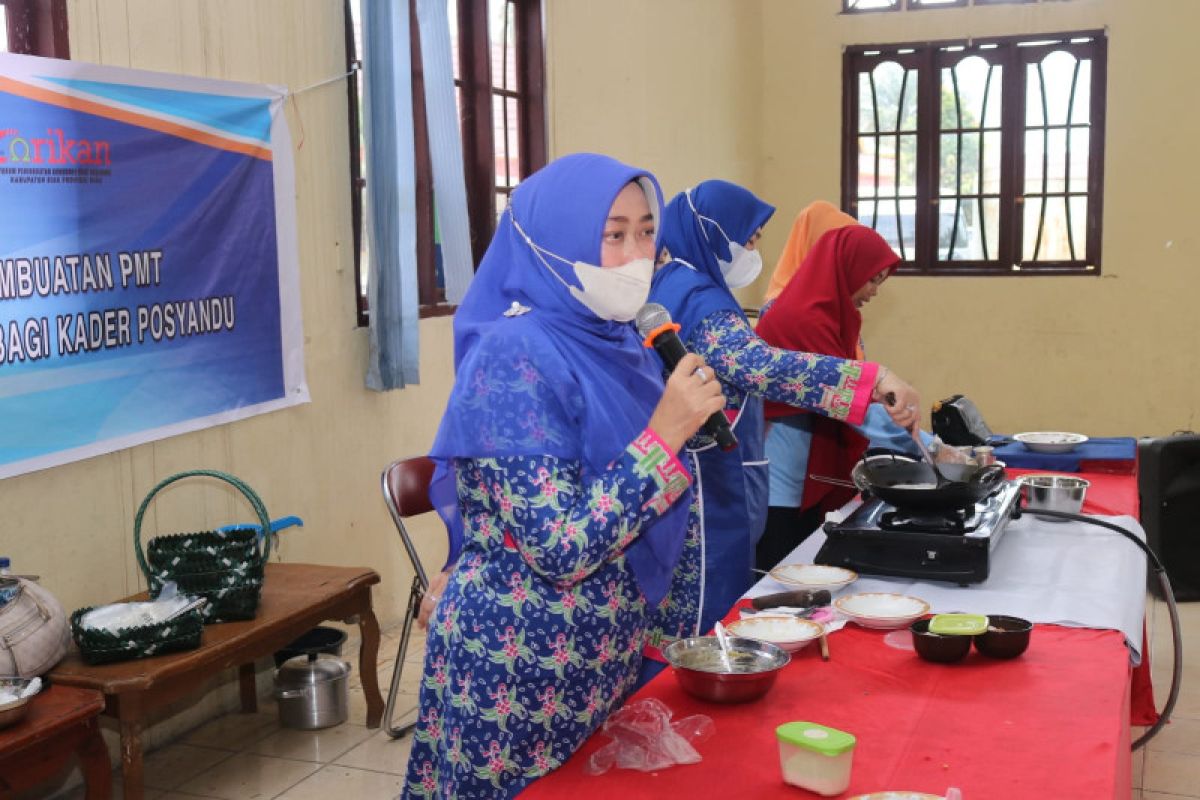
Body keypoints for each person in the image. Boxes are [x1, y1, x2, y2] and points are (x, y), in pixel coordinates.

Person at [402, 153, 724, 799]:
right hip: (517, 663)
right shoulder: (514, 355)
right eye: (612, 234)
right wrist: (665, 436)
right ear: (555, 242)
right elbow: (560, 546)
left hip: (597, 654)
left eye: (645, 230)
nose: (635, 253)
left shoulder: (618, 341)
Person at [640, 180, 919, 683]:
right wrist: (869, 380)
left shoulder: (676, 286)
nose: (754, 253)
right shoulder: (699, 298)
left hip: (690, 471)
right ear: (712, 232)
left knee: (678, 617)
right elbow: (756, 367)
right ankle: (692, 702)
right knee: (703, 618)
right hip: (700, 486)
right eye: (748, 239)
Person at [755, 222, 926, 571]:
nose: (875, 291)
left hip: (803, 478)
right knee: (783, 586)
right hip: (783, 487)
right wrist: (929, 448)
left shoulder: (834, 318)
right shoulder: (803, 320)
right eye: (873, 279)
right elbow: (853, 405)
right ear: (847, 268)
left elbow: (862, 397)